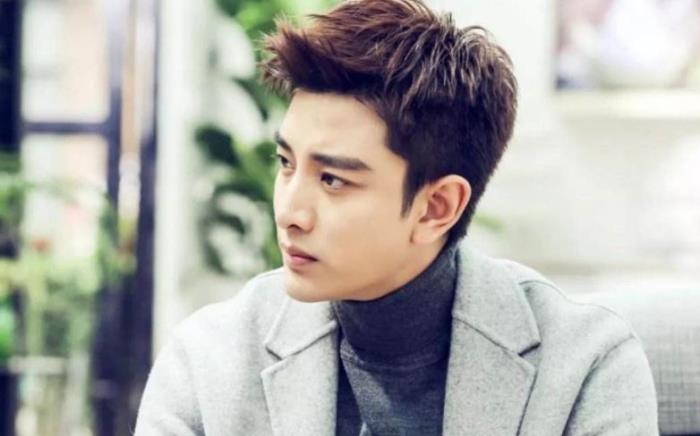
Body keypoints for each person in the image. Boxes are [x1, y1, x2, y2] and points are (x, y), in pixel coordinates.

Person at [135, 0, 659, 434]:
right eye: (285, 163)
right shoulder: (208, 363)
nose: (290, 212)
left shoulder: (586, 366)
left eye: (332, 180)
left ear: (437, 208)